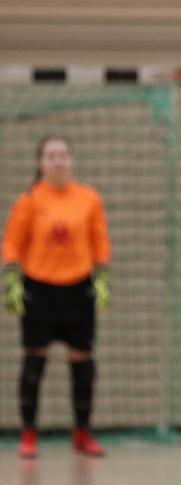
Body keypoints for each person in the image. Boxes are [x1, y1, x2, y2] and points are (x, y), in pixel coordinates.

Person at [2, 135, 112, 458]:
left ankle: (82, 432)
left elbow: (100, 241)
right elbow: (12, 242)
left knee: (83, 362)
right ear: (41, 162)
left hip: (79, 287)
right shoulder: (30, 200)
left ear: (72, 159)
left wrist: (102, 277)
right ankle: (29, 434)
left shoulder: (89, 199)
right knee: (34, 361)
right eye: (51, 155)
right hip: (39, 288)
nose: (58, 161)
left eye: (63, 154)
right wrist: (11, 279)